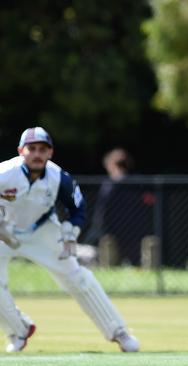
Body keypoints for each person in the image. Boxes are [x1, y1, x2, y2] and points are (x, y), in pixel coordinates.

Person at [0, 127, 139, 352]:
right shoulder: (5, 173)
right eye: (31, 149)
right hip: (4, 231)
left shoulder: (58, 177)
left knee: (77, 278)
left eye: (42, 150)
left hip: (42, 231)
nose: (37, 154)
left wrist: (70, 232)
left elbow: (77, 208)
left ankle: (119, 332)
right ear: (20, 151)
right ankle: (19, 330)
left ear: (50, 153)